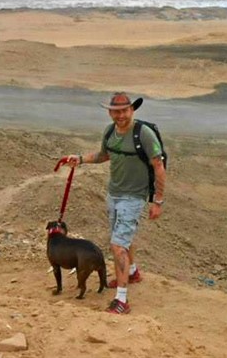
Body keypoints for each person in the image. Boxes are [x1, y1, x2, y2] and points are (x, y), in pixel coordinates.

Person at [63, 92, 166, 314]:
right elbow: (104, 155)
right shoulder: (110, 131)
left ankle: (121, 300)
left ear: (132, 110)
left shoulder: (144, 134)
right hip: (114, 193)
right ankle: (132, 272)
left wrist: (158, 200)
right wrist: (80, 160)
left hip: (134, 196)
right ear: (110, 112)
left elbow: (158, 165)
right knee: (123, 239)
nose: (120, 115)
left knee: (118, 244)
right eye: (115, 111)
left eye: (124, 110)